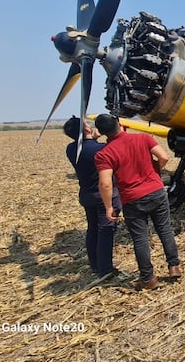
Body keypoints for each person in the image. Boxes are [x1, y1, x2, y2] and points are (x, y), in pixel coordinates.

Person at [94, 114, 181, 290]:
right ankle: (174, 266)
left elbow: (105, 183)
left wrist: (109, 206)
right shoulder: (143, 138)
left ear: (101, 133)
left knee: (140, 239)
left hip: (133, 199)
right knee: (164, 229)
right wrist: (155, 171)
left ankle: (148, 278)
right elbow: (164, 157)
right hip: (156, 192)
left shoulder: (103, 154)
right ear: (119, 124)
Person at [63, 117, 121, 278]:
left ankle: (95, 264)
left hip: (86, 194)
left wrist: (93, 137)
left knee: (93, 229)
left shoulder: (71, 149)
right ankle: (106, 269)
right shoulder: (101, 149)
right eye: (87, 125)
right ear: (87, 130)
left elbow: (88, 146)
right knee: (106, 230)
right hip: (104, 196)